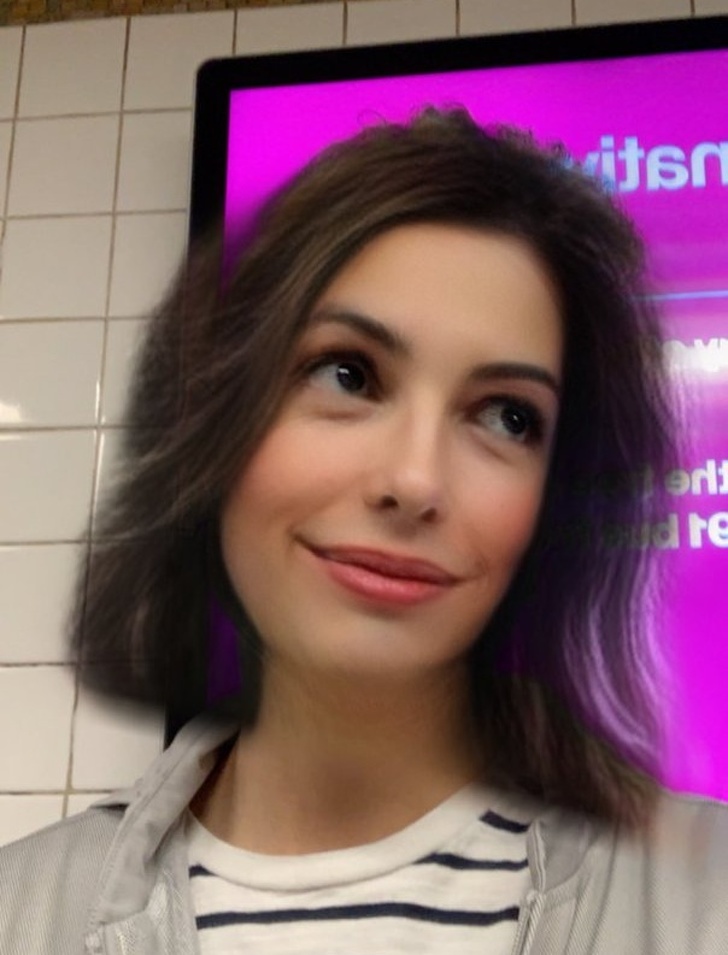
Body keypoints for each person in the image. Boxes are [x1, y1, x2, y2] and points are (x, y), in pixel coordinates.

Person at [1, 108, 726, 954]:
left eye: (507, 415)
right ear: (216, 415)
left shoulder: (705, 898)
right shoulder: (23, 911)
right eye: (348, 373)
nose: (414, 481)